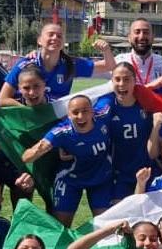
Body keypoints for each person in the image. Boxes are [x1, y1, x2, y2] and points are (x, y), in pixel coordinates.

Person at [22, 94, 113, 228]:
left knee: (104, 225)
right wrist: (39, 150)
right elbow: (26, 157)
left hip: (101, 177)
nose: (81, 116)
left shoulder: (103, 114)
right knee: (61, 226)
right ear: (68, 115)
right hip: (70, 179)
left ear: (92, 111)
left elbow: (111, 92)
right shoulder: (61, 132)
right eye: (75, 112)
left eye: (85, 111)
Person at [0, 23, 115, 102]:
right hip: (26, 119)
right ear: (39, 40)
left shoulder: (70, 64)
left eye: (59, 36)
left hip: (54, 122)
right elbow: (3, 98)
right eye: (50, 34)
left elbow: (109, 66)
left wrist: (106, 50)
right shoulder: (25, 65)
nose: (55, 38)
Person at [94, 63, 155, 204]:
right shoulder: (107, 104)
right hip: (119, 173)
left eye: (127, 79)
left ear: (135, 81)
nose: (122, 84)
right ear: (112, 81)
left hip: (147, 169)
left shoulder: (145, 101)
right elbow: (89, 119)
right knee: (121, 213)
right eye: (117, 79)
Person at [114, 18, 162, 86]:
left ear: (153, 37)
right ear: (129, 37)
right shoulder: (118, 62)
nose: (141, 37)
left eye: (146, 32)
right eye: (137, 32)